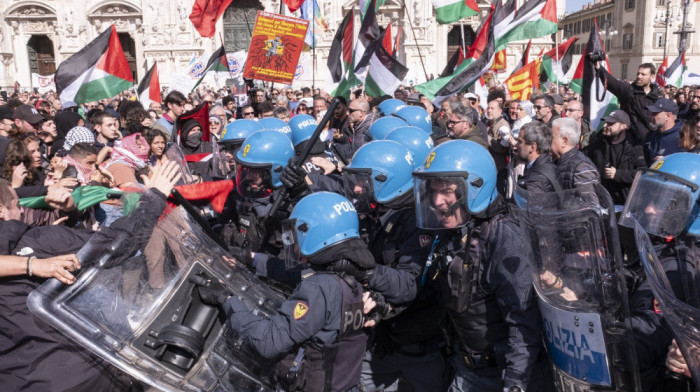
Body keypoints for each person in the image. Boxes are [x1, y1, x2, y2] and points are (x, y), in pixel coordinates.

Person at [404, 140, 550, 392]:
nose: (437, 201)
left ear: (475, 188)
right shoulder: (453, 229)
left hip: (501, 375)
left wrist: (515, 382)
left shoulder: (503, 235)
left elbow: (523, 319)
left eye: (447, 191)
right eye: (433, 191)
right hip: (466, 367)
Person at [204, 192, 375, 392]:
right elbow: (293, 272)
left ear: (317, 235)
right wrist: (248, 257)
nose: (294, 247)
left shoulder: (318, 288)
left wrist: (226, 299)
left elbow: (268, 341)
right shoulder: (350, 278)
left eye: (298, 237)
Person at [586, 110, 646, 205]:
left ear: (623, 126)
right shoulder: (599, 143)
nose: (605, 126)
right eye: (606, 123)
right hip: (604, 202)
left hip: (626, 204)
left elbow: (643, 174)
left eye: (610, 124)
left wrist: (618, 174)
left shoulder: (635, 147)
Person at [594, 61, 662, 143]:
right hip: (630, 143)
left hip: (651, 142)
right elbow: (612, 82)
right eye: (638, 73)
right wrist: (598, 67)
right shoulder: (628, 90)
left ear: (652, 77)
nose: (639, 76)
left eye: (643, 74)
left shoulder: (659, 97)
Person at [551, 117, 600, 191]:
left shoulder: (582, 168)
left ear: (564, 141)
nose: (547, 140)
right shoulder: (555, 161)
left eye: (551, 137)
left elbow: (588, 200)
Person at [513, 121, 560, 193]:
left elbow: (527, 203)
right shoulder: (546, 165)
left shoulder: (537, 178)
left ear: (532, 147)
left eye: (520, 141)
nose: (516, 146)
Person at [644, 98, 684, 164]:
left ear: (668, 115)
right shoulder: (651, 135)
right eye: (651, 113)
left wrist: (667, 161)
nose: (650, 116)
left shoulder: (682, 137)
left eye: (655, 113)